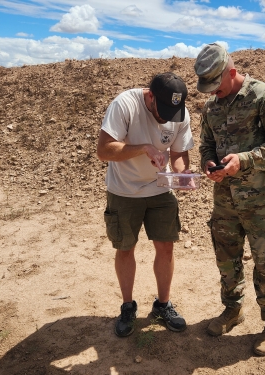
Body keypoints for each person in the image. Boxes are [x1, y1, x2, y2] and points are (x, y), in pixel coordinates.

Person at [194, 43, 265, 356]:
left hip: (261, 199)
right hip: (225, 199)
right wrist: (209, 163)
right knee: (226, 258)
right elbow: (206, 145)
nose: (213, 93)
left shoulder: (264, 96)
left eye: (217, 86)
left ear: (232, 73)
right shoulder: (213, 105)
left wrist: (245, 160)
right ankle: (233, 310)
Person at [96, 72, 194, 337]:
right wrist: (144, 148)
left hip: (161, 190)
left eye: (171, 113)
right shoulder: (124, 104)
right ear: (150, 96)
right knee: (125, 248)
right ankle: (127, 307)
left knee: (166, 248)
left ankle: (163, 305)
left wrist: (181, 174)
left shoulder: (179, 113)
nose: (165, 118)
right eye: (161, 111)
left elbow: (179, 154)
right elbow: (104, 150)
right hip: (124, 191)